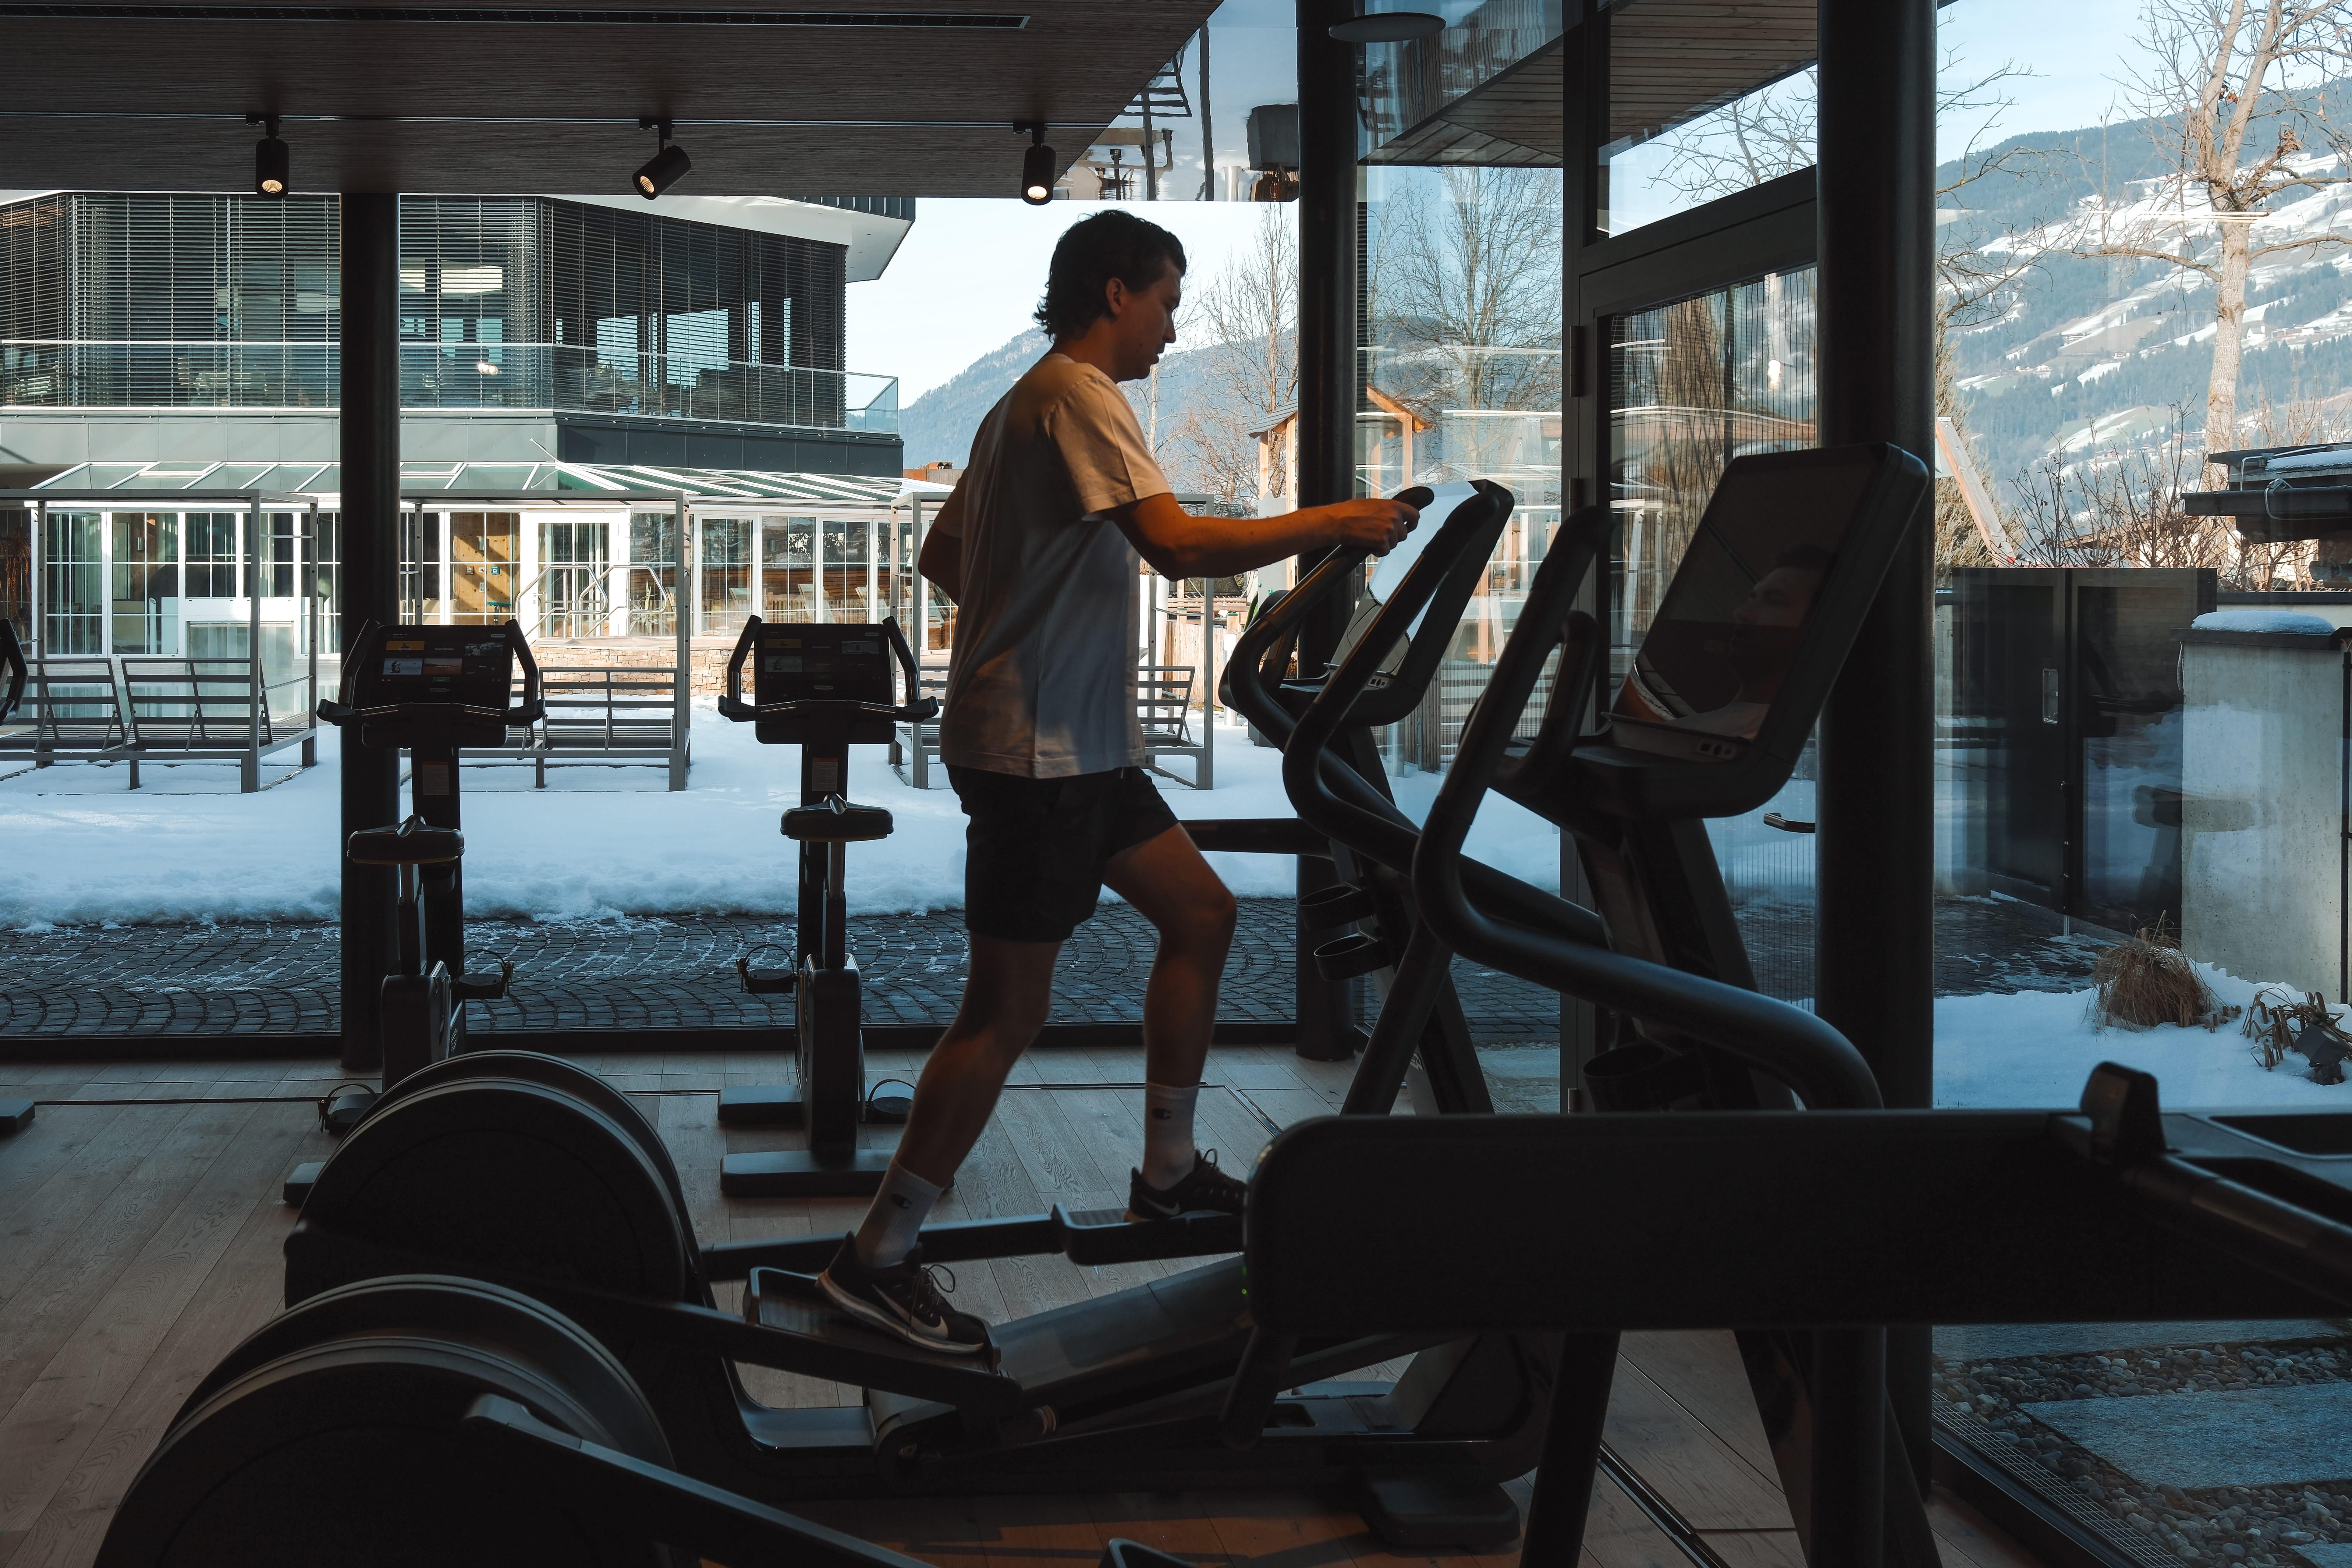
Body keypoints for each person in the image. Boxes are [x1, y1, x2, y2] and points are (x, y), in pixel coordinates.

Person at [818, 210, 1418, 1353]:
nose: (1171, 326)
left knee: (1202, 911)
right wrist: (1339, 520)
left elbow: (951, 556)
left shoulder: (1020, 410)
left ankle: (1169, 1170)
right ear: (1114, 293)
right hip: (1035, 754)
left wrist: (1028, 609)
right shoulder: (1080, 399)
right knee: (1007, 1012)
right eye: (1167, 302)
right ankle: (877, 1258)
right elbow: (1182, 545)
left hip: (1080, 747)